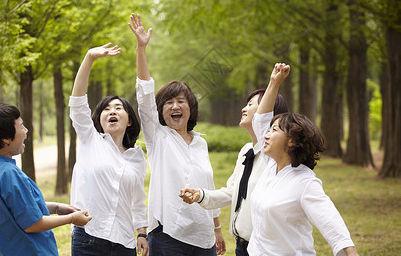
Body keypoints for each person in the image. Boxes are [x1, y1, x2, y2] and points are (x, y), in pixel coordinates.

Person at [129, 13, 226, 256]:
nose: (175, 107)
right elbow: (144, 96)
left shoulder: (200, 143)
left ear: (190, 107)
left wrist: (217, 228)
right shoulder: (158, 137)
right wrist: (141, 49)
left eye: (181, 101)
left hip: (204, 237)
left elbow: (209, 185)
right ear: (160, 110)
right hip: (168, 235)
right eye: (168, 102)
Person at [247, 62, 359, 255]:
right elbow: (260, 120)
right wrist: (274, 82)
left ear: (291, 141)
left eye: (274, 130)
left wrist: (350, 252)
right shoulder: (271, 165)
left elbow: (331, 223)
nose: (265, 134)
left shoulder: (305, 182)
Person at [180, 87, 288, 255]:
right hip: (242, 246)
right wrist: (201, 195)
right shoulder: (246, 151)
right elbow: (232, 192)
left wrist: (275, 82)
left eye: (251, 104)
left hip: (265, 247)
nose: (243, 109)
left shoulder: (276, 158)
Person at [0, 103, 92, 256]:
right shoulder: (8, 174)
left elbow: (19, 208)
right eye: (21, 126)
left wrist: (57, 208)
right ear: (5, 139)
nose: (26, 130)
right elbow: (33, 223)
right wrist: (72, 218)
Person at [69, 43, 149, 256]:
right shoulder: (90, 140)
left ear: (129, 120)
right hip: (89, 237)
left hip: (124, 242)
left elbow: (137, 201)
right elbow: (77, 103)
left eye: (118, 108)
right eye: (106, 109)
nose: (111, 111)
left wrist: (142, 233)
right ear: (99, 119)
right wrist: (89, 58)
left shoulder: (137, 158)